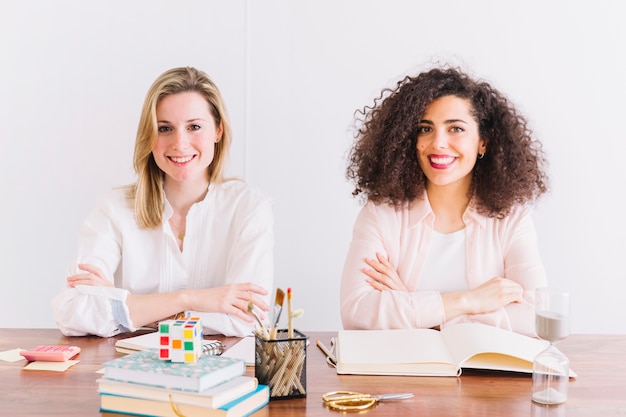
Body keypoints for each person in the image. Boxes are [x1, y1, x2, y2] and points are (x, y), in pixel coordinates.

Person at [52, 67, 274, 338]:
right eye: (164, 128)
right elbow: (72, 312)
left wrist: (130, 308)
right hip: (128, 373)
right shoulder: (114, 209)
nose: (180, 144)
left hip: (221, 374)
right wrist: (189, 300)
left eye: (194, 127)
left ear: (218, 130)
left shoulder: (248, 208)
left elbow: (249, 319)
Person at [340, 66, 549, 337]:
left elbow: (536, 319)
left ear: (482, 142)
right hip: (401, 374)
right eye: (425, 128)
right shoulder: (382, 214)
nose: (438, 143)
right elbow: (356, 312)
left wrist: (418, 311)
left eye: (456, 129)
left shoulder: (512, 218)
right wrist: (468, 301)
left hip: (485, 379)